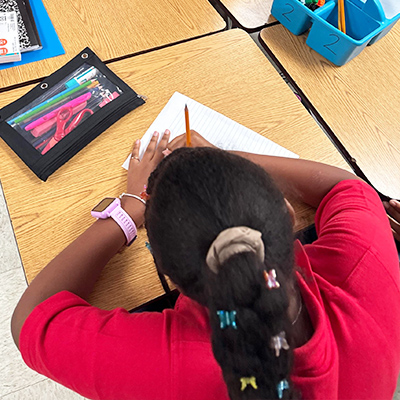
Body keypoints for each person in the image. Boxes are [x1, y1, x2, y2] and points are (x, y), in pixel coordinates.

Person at [11, 130, 400, 400]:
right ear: (285, 216)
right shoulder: (365, 266)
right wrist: (226, 165)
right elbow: (348, 189)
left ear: (165, 273)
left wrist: (130, 210)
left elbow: (29, 320)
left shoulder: (176, 365)